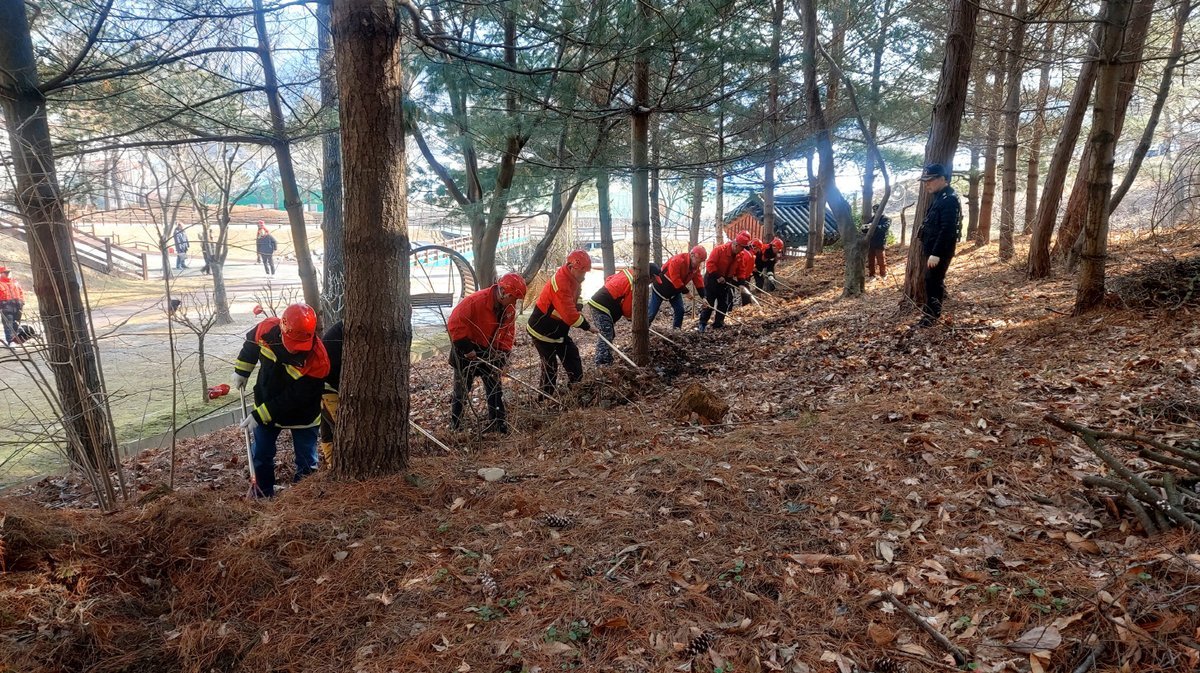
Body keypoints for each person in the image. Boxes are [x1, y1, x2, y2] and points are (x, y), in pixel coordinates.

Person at [231, 302, 329, 497]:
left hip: (303, 414)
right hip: (266, 399)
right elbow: (251, 345)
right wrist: (242, 370)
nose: (294, 350)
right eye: (291, 343)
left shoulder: (319, 360)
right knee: (261, 454)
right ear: (282, 329)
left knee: (306, 461)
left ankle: (303, 498)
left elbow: (295, 397)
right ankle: (262, 494)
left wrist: (259, 415)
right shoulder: (266, 329)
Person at [447, 272, 525, 433]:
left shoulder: (509, 308)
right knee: (461, 391)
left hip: (489, 350)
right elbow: (454, 324)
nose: (515, 302)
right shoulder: (475, 301)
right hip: (465, 348)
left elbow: (507, 332)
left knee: (495, 388)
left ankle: (498, 423)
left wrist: (503, 355)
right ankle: (455, 426)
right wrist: (467, 349)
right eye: (514, 298)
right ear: (504, 292)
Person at [526, 250, 595, 395]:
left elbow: (577, 295)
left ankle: (576, 390)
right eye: (582, 271)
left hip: (559, 331)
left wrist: (579, 307)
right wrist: (587, 326)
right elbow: (570, 315)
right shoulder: (560, 283)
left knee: (572, 355)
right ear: (572, 267)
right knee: (550, 365)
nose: (584, 275)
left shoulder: (575, 279)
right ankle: (545, 398)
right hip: (542, 329)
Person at [588, 263, 661, 365]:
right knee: (606, 335)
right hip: (601, 306)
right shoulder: (634, 283)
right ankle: (601, 364)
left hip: (600, 303)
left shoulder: (628, 272)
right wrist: (633, 319)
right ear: (648, 276)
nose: (652, 282)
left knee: (609, 333)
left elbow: (609, 279)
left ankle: (607, 359)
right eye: (652, 279)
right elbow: (627, 308)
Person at [916, 163, 962, 327]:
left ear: (942, 179)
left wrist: (936, 253)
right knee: (930, 281)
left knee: (933, 281)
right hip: (933, 249)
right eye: (925, 181)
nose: (927, 184)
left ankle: (932, 316)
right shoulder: (939, 197)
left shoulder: (949, 199)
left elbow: (947, 230)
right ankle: (929, 313)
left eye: (930, 180)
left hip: (940, 251)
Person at [699, 231, 754, 331]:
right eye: (742, 247)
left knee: (724, 304)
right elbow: (710, 264)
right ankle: (702, 323)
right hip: (712, 279)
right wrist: (718, 276)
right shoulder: (719, 250)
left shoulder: (740, 255)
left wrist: (741, 283)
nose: (742, 250)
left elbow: (741, 270)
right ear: (736, 245)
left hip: (725, 282)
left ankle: (718, 324)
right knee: (709, 304)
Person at [649, 246, 705, 329]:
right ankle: (643, 329)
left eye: (701, 261)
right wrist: (686, 292)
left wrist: (704, 297)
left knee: (680, 310)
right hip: (661, 288)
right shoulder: (677, 260)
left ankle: (676, 330)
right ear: (692, 255)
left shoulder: (695, 267)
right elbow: (675, 278)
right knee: (651, 312)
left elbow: (698, 280)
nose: (699, 263)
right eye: (698, 260)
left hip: (675, 291)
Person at [318, 320, 343, 464]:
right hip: (326, 387)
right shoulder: (347, 331)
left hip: (329, 384)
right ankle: (335, 465)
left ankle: (332, 465)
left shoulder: (342, 330)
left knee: (327, 429)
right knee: (342, 428)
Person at [863, 204, 891, 279]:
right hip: (871, 243)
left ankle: (883, 274)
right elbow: (865, 229)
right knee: (871, 260)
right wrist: (865, 227)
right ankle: (872, 274)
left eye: (877, 210)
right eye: (875, 211)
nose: (876, 212)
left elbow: (884, 228)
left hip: (880, 242)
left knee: (881, 260)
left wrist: (874, 227)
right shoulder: (872, 219)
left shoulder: (886, 219)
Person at [0, 266, 26, 344]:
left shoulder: (15, 282)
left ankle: (15, 340)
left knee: (16, 324)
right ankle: (10, 341)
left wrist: (22, 301)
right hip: (6, 307)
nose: (7, 274)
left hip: (18, 306)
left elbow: (21, 292)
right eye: (5, 272)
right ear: (1, 274)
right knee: (8, 325)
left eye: (8, 272)